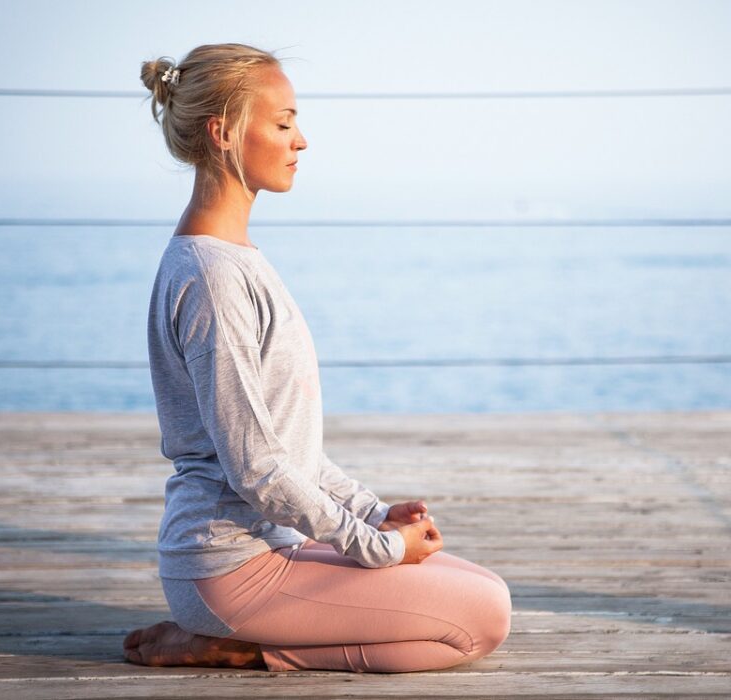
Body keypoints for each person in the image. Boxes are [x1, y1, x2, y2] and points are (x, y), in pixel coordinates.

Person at [123, 43, 511, 674]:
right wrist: (378, 548)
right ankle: (239, 647)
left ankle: (242, 634)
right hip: (232, 570)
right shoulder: (212, 277)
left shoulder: (236, 259)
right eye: (283, 123)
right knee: (480, 621)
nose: (301, 141)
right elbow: (257, 470)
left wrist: (373, 512)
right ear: (223, 133)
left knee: (483, 590)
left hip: (273, 551)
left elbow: (285, 446)